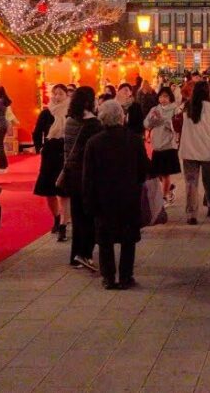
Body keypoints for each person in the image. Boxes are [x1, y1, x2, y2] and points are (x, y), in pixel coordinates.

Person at [83, 100, 149, 289]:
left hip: (103, 198)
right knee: (128, 240)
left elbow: (88, 176)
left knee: (105, 240)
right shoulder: (134, 140)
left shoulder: (94, 142)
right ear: (122, 116)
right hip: (128, 196)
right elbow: (144, 168)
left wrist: (88, 201)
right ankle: (126, 276)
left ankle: (109, 277)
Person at [62, 86, 101, 269]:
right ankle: (85, 253)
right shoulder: (93, 124)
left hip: (72, 173)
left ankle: (75, 255)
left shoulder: (70, 120)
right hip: (88, 175)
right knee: (90, 216)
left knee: (77, 216)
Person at [180, 81, 210, 225]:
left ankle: (191, 213)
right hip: (208, 150)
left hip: (189, 150)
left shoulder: (187, 107)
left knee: (191, 183)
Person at [33, 84, 70, 237]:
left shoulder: (71, 112)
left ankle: (64, 222)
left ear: (66, 95)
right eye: (54, 93)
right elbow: (37, 132)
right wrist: (40, 147)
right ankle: (56, 217)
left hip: (65, 151)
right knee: (49, 189)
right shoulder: (46, 113)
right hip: (49, 152)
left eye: (60, 93)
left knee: (64, 190)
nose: (57, 96)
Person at [144, 87, 181, 204]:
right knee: (157, 173)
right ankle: (169, 188)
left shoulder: (175, 109)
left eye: (165, 96)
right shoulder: (155, 109)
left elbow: (177, 127)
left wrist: (164, 120)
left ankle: (164, 197)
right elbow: (146, 124)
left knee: (165, 174)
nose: (163, 99)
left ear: (170, 97)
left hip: (168, 146)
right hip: (156, 145)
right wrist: (152, 120)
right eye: (160, 96)